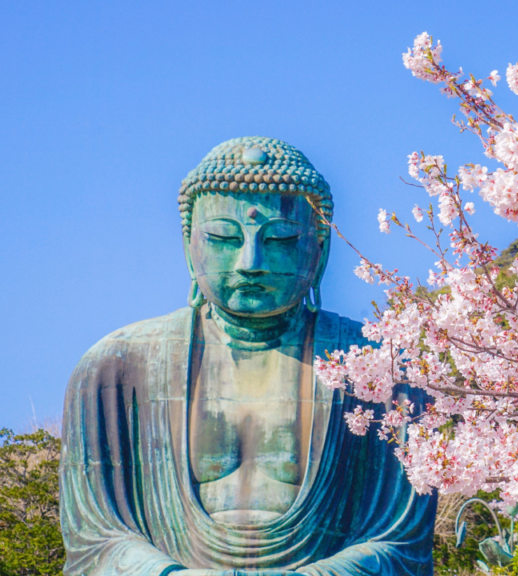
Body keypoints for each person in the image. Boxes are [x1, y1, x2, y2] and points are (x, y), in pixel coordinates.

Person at [59, 137, 436, 576]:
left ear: (320, 248)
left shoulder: (383, 369)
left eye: (280, 238)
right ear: (188, 246)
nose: (250, 261)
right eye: (223, 237)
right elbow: (96, 541)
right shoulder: (116, 369)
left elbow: (400, 544)